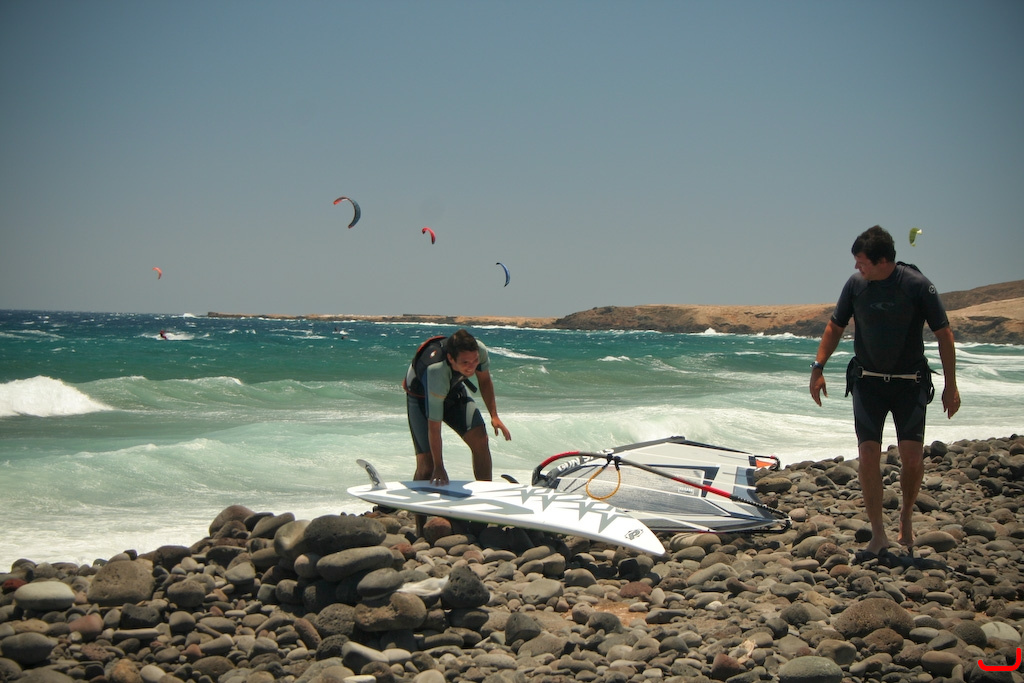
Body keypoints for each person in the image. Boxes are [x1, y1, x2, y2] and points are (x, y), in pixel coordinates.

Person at [809, 225, 960, 556]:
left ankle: (906, 514)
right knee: (867, 455)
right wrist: (818, 367)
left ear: (881, 261)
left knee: (912, 458)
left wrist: (951, 384)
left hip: (910, 384)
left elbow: (944, 334)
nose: (856, 267)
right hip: (868, 382)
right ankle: (879, 534)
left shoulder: (917, 285)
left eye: (861, 261)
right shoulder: (856, 285)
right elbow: (835, 326)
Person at [404, 329, 511, 491]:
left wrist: (494, 416)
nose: (471, 367)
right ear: (451, 359)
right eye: (465, 363)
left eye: (474, 361)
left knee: (480, 439)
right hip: (420, 396)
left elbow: (484, 380)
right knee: (427, 467)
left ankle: (485, 492)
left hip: (453, 388)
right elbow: (434, 427)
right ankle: (417, 505)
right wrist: (439, 466)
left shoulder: (479, 350)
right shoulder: (437, 370)